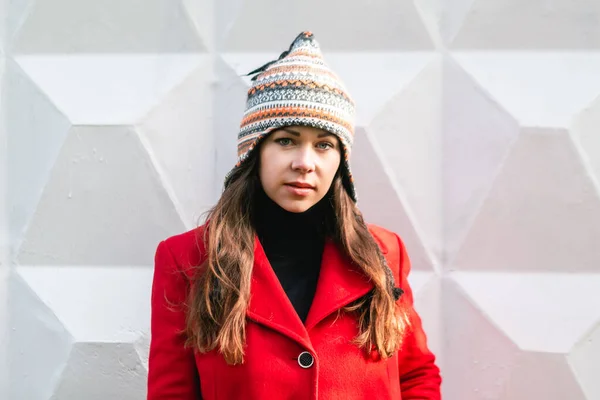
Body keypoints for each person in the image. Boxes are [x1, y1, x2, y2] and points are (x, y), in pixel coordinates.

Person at [147, 31, 441, 400]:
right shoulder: (187, 260)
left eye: (323, 145)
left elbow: (416, 375)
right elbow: (171, 392)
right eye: (286, 140)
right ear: (255, 151)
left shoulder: (383, 254)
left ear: (340, 161)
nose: (304, 163)